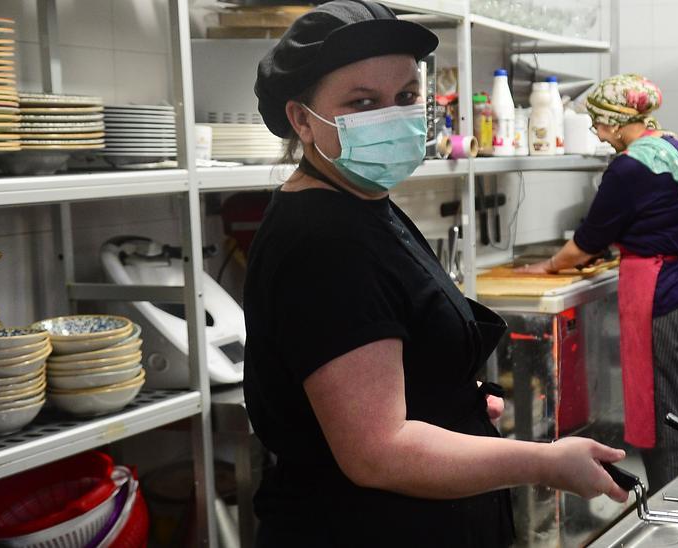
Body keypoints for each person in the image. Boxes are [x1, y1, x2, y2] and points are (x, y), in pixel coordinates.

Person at [243, 2, 626, 545]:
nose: (391, 115)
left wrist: (452, 396)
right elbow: (379, 452)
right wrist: (545, 463)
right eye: (362, 102)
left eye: (404, 97)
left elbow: (387, 347)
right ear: (302, 120)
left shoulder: (362, 201)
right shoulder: (323, 243)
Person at [519, 74, 678, 492]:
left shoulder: (629, 166)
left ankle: (674, 524)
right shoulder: (674, 146)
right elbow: (662, 217)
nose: (600, 135)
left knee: (665, 425)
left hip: (663, 296)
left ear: (619, 121)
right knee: (677, 413)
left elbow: (587, 241)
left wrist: (548, 266)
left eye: (600, 125)